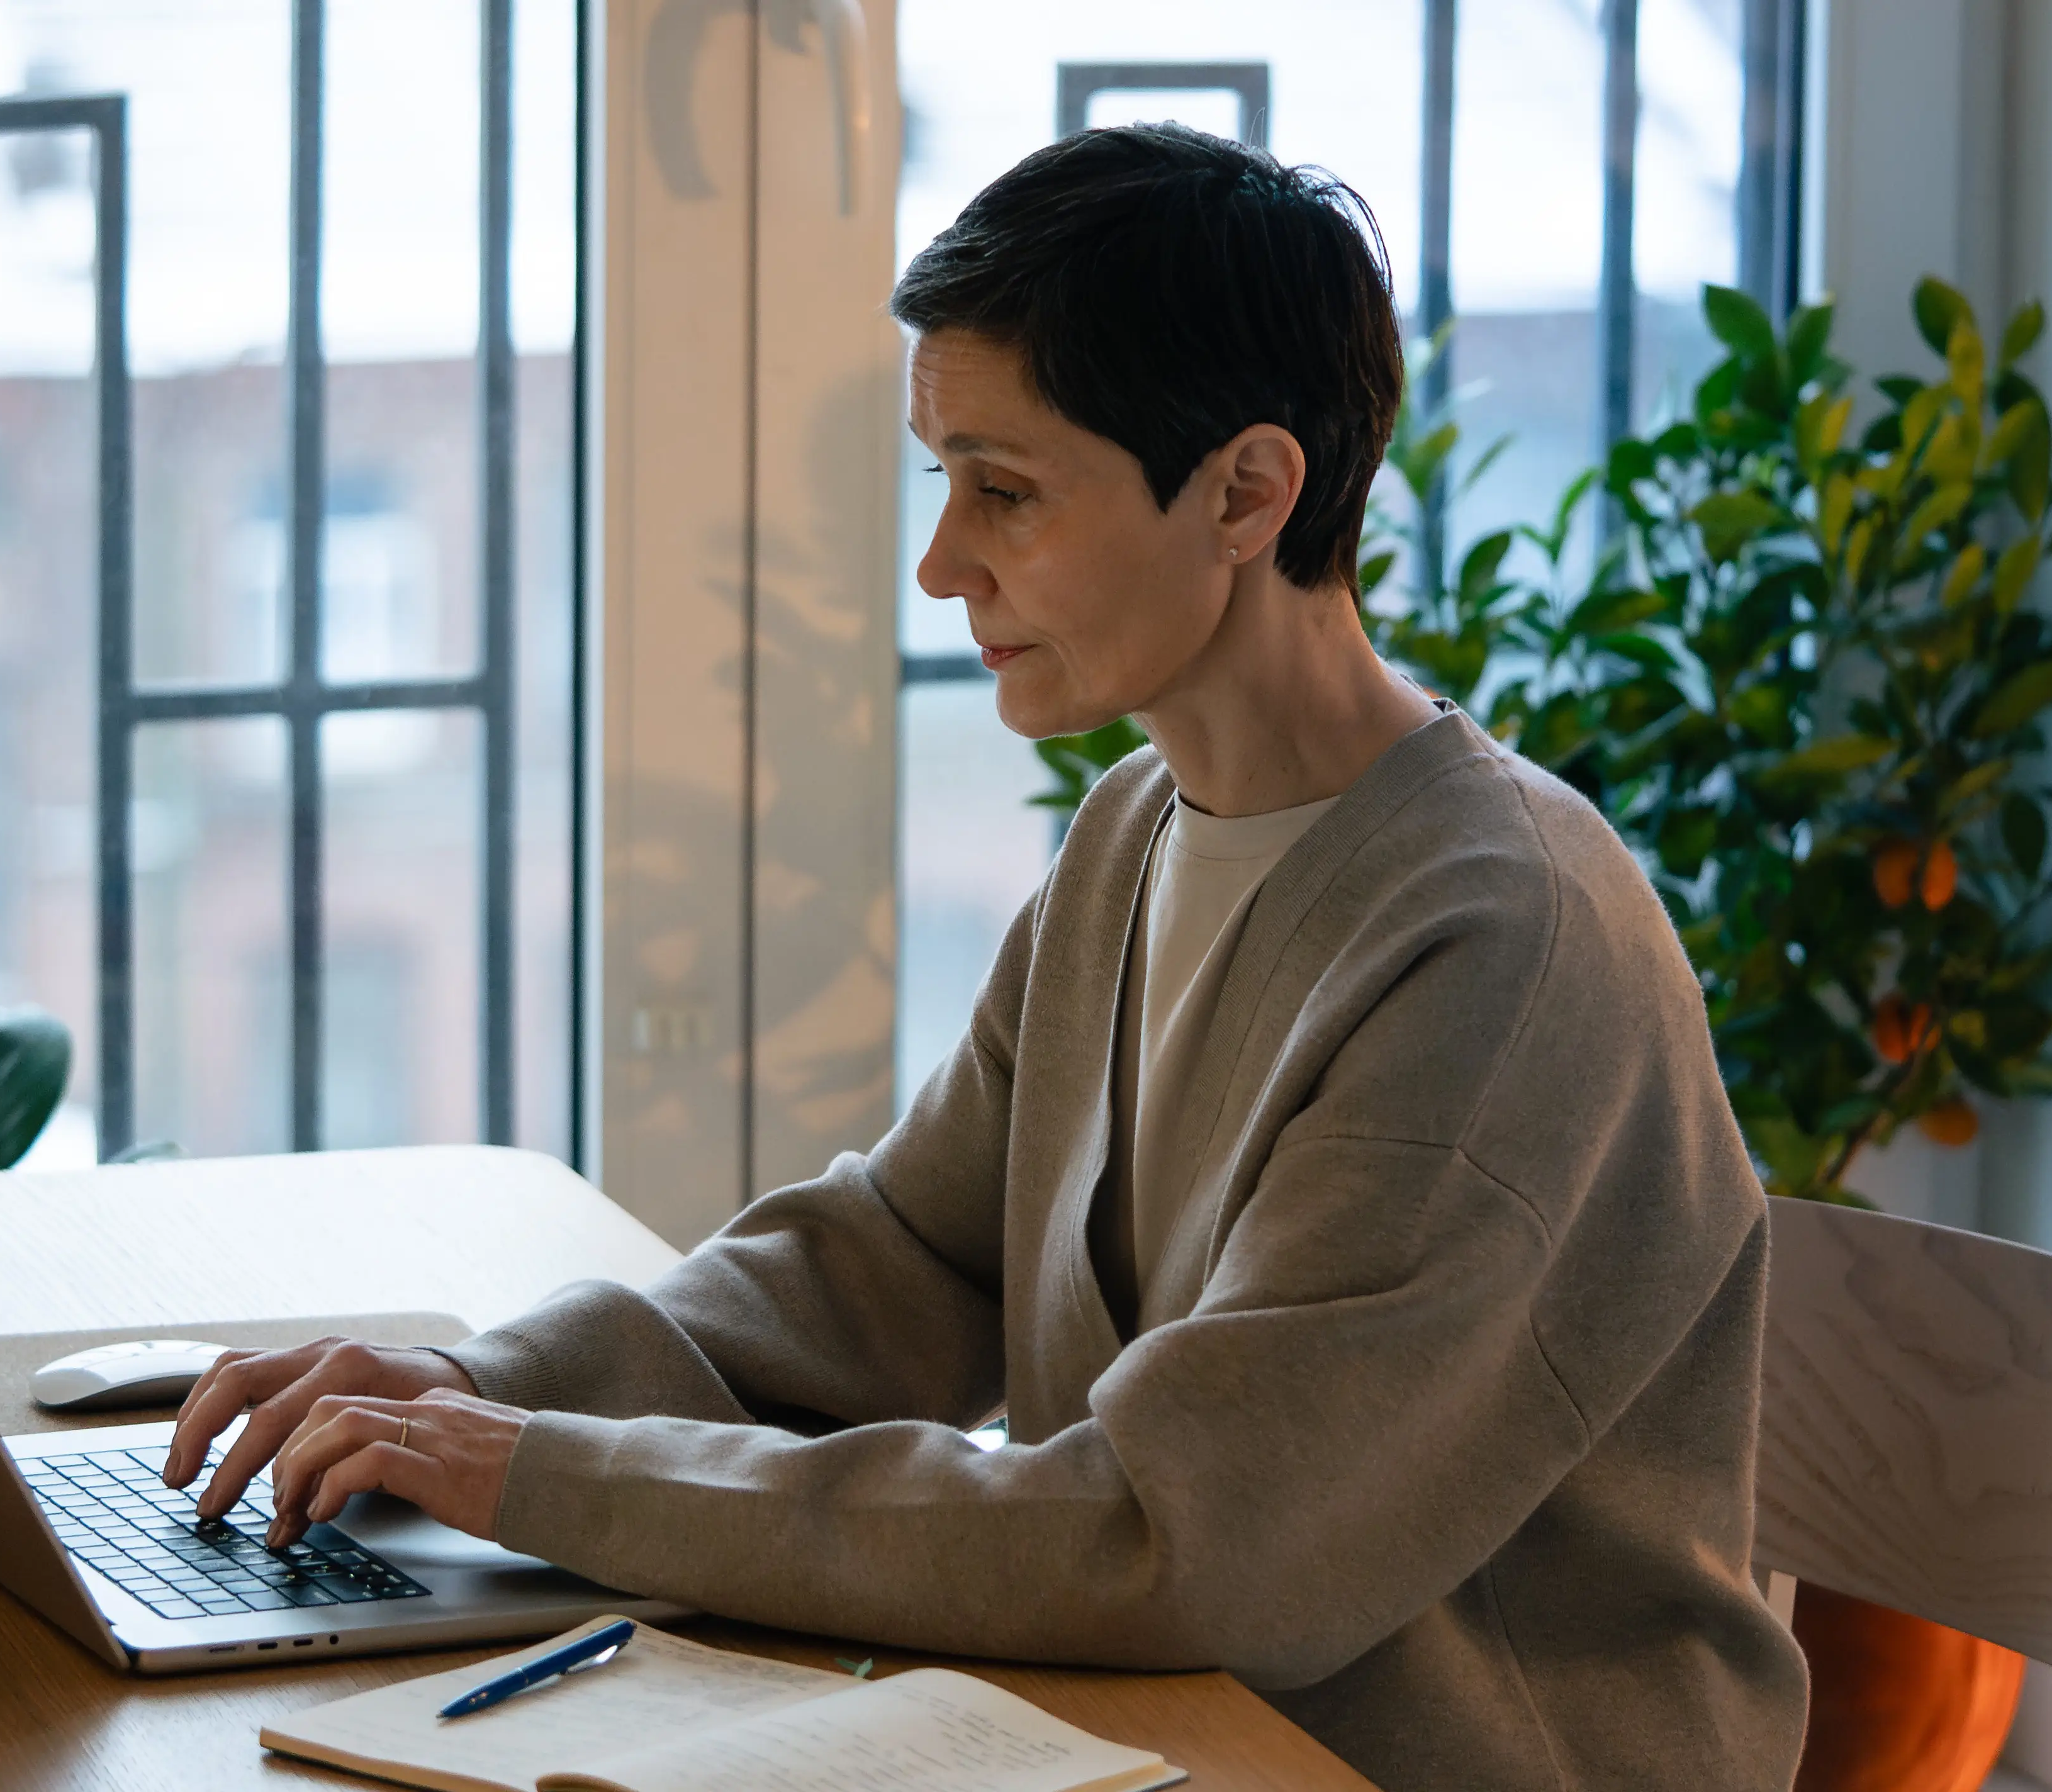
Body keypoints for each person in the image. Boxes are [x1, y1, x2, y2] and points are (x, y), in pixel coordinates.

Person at [161, 123, 1803, 1789]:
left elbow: (1180, 1540)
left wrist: (536, 1475)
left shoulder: (1498, 945)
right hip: (1152, 1737)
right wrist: (461, 1399)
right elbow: (898, 1258)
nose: (942, 565)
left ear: (1246, 492)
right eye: (939, 480)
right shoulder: (1132, 835)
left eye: (1003, 491)